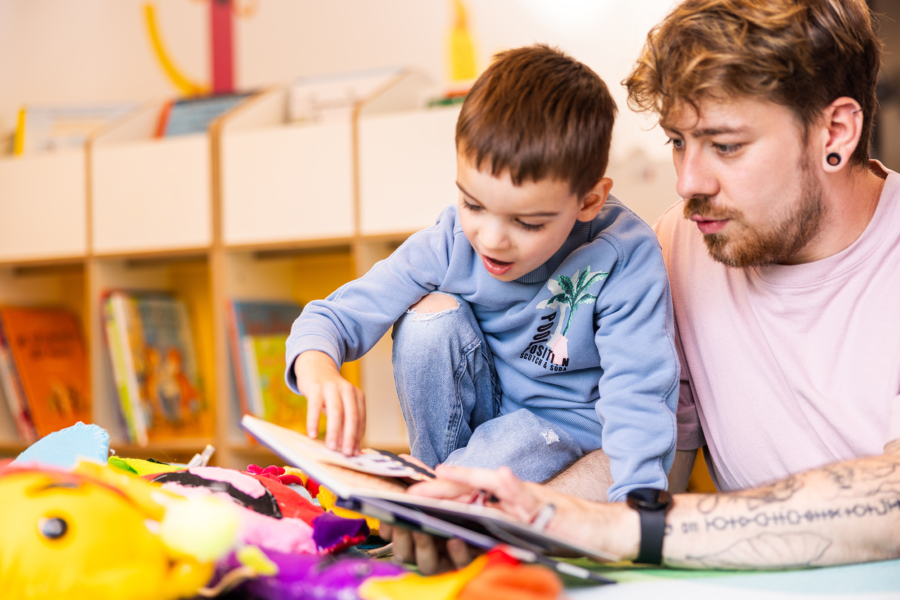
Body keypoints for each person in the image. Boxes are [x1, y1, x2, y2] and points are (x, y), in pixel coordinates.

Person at [396, 0, 900, 571]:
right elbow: (648, 461)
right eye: (678, 142)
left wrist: (635, 528)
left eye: (726, 145)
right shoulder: (681, 246)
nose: (687, 183)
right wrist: (498, 521)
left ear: (836, 131)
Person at [286, 45, 680, 501]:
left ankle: (438, 497)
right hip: (487, 411)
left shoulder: (624, 253)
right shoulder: (453, 239)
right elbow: (337, 314)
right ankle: (440, 490)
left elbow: (640, 392)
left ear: (589, 201)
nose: (491, 240)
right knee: (428, 321)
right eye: (473, 204)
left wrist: (637, 506)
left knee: (484, 466)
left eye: (527, 223)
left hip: (563, 430)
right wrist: (319, 368)